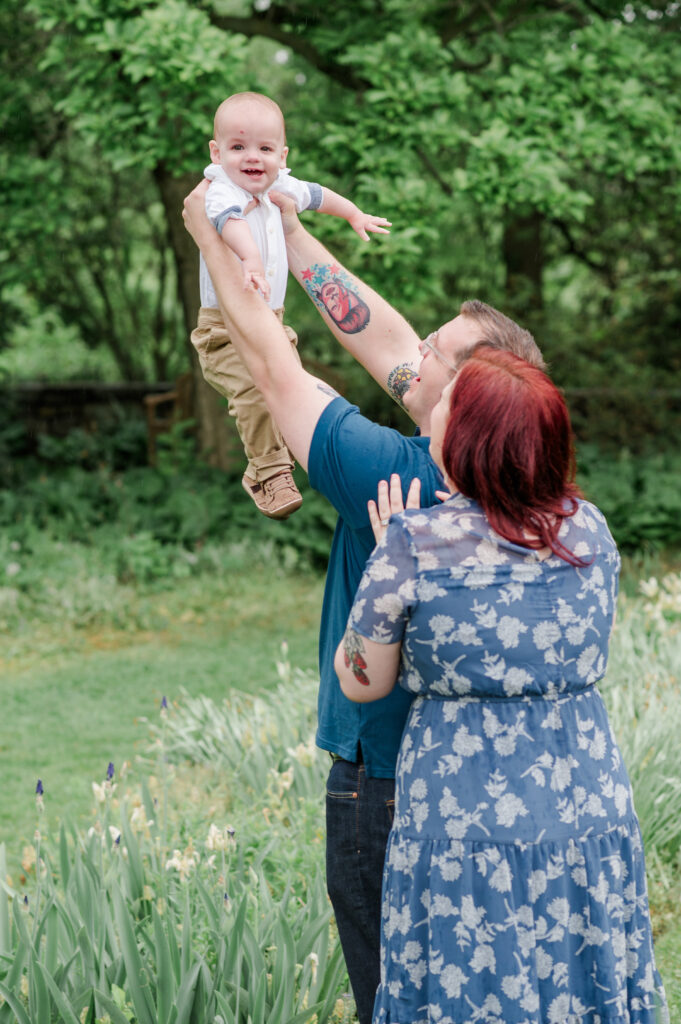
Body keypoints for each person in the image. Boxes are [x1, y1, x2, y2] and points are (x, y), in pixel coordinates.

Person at [182, 182, 544, 1023]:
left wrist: (211, 233)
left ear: (469, 394)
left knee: (394, 999)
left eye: (437, 354)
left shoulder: (393, 475)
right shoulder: (523, 488)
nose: (413, 354)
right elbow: (375, 332)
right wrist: (288, 231)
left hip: (381, 783)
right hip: (488, 784)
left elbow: (271, 362)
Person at [335, 348, 669, 1022]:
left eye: (446, 405)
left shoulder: (413, 542)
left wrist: (379, 576)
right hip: (582, 795)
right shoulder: (589, 529)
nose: (431, 413)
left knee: (466, 977)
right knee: (581, 970)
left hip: (463, 809)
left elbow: (361, 681)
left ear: (469, 439)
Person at [193, 91, 391, 519]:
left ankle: (275, 461)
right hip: (224, 330)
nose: (253, 158)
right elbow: (229, 222)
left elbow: (317, 194)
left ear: (282, 155)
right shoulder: (219, 190)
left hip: (271, 320)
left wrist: (354, 213)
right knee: (252, 391)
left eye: (265, 149)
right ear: (217, 151)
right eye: (238, 147)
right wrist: (249, 259)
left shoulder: (279, 185)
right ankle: (269, 470)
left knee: (292, 391)